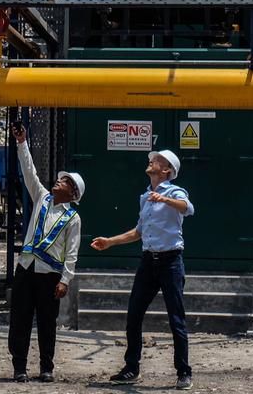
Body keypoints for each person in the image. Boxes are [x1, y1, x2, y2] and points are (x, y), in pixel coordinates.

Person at [91, 149, 194, 390]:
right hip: (148, 262)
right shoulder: (145, 196)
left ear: (166, 170)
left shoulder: (174, 191)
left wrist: (164, 199)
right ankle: (131, 368)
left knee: (176, 319)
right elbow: (138, 232)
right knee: (134, 316)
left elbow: (187, 208)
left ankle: (184, 372)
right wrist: (110, 241)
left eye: (157, 160)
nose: (152, 161)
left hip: (171, 262)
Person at [8, 122, 85, 384]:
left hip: (49, 275)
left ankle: (46, 367)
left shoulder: (73, 219)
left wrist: (65, 280)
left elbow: (72, 252)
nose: (58, 181)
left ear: (72, 193)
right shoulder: (42, 198)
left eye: (64, 181)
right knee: (19, 318)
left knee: (46, 323)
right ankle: (19, 367)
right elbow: (29, 171)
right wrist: (22, 142)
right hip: (26, 268)